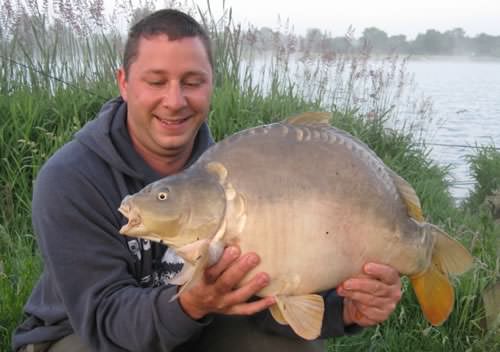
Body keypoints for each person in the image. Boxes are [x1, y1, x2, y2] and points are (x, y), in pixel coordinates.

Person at [12, 9, 402, 352]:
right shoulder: (71, 179)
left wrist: (346, 310)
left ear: (211, 83)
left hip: (195, 320)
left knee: (290, 345)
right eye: (156, 81)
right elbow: (105, 321)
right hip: (81, 335)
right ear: (124, 83)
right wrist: (191, 304)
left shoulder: (236, 173)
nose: (175, 100)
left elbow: (266, 300)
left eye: (192, 81)